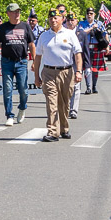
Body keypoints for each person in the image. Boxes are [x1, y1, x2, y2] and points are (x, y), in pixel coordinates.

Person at [33, 7, 82, 142]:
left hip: (66, 72)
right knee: (51, 102)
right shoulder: (44, 36)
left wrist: (78, 71)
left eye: (56, 18)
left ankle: (64, 128)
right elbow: (37, 57)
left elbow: (78, 54)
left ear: (62, 19)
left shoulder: (70, 34)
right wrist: (36, 76)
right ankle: (53, 131)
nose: (53, 20)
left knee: (64, 103)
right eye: (50, 18)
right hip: (48, 72)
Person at [0, 3, 35, 126]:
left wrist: (35, 62)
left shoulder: (25, 26)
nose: (17, 14)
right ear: (8, 14)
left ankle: (22, 107)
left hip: (21, 61)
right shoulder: (2, 28)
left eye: (18, 12)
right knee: (7, 89)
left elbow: (32, 45)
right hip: (6, 62)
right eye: (14, 12)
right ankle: (9, 115)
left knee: (23, 89)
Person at [66, 13, 90, 119]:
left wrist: (87, 66)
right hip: (64, 64)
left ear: (76, 21)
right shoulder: (62, 33)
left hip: (76, 65)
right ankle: (65, 108)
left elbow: (85, 51)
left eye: (73, 20)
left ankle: (73, 110)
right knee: (65, 89)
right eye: (68, 20)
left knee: (76, 88)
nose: (70, 22)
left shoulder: (82, 34)